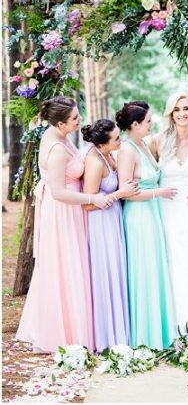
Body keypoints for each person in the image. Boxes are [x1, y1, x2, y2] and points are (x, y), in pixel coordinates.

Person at [17, 97, 110, 352]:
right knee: (66, 266)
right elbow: (58, 192)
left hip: (70, 209)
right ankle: (64, 332)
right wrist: (93, 198)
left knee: (69, 265)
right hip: (63, 213)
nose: (80, 121)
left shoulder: (60, 136)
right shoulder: (57, 149)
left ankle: (73, 326)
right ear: (60, 124)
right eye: (75, 118)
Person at [116, 101, 177, 349]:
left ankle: (158, 330)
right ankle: (144, 335)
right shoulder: (127, 151)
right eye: (148, 121)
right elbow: (126, 193)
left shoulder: (143, 144)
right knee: (144, 270)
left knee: (154, 269)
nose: (152, 124)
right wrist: (158, 193)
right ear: (135, 124)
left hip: (152, 213)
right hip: (139, 216)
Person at [150, 93, 188, 333]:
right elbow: (150, 176)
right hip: (166, 208)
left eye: (186, 108)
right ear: (170, 113)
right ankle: (171, 323)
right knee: (170, 261)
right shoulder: (157, 141)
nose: (183, 113)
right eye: (177, 109)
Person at [81, 119, 138, 350]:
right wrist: (119, 194)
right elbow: (88, 204)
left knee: (116, 271)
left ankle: (119, 330)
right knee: (107, 273)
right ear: (103, 144)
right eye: (116, 139)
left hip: (112, 219)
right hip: (101, 224)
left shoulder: (107, 154)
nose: (120, 140)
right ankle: (108, 336)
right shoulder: (95, 163)